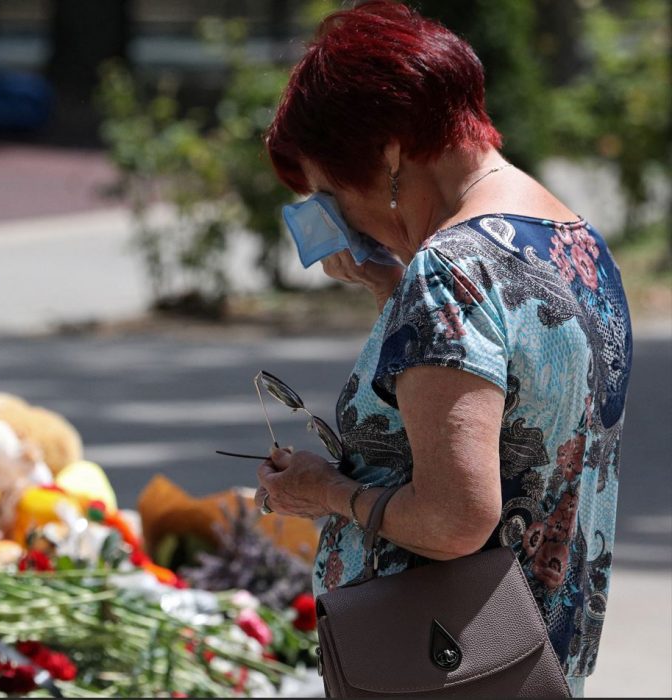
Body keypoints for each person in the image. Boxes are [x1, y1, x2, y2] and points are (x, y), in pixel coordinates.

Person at [254, 2, 632, 696]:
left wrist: (327, 492)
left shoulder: (451, 271)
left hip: (442, 666)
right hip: (535, 662)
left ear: (391, 152)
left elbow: (454, 520)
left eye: (333, 194)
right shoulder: (570, 238)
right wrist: (392, 295)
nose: (339, 222)